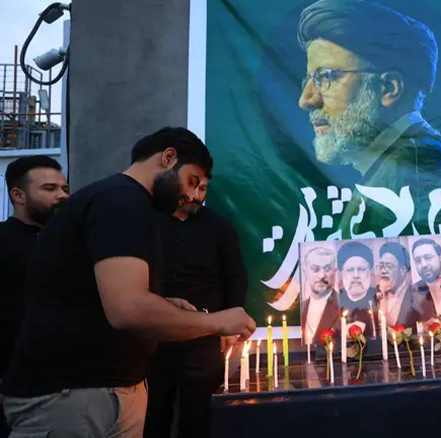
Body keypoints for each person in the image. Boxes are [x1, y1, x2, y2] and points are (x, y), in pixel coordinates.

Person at [1, 127, 256, 437]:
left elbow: (96, 293)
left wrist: (162, 305)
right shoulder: (121, 201)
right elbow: (128, 309)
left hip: (99, 394)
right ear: (168, 157)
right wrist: (218, 322)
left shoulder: (122, 201)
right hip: (76, 400)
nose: (191, 195)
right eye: (191, 180)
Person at [297, 0, 441, 237]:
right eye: (309, 80)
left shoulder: (414, 166)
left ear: (388, 89)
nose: (306, 100)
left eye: (326, 77)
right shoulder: (399, 162)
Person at [144, 173, 248, 438]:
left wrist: (229, 326)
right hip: (156, 336)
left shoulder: (218, 226)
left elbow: (235, 276)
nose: (196, 195)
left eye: (203, 189)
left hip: (205, 337)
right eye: (191, 187)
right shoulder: (148, 223)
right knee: (153, 414)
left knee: (200, 416)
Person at [0, 156, 68, 438]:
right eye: (50, 188)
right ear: (18, 195)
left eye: (65, 188)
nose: (62, 196)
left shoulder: (68, 243)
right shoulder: (4, 241)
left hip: (62, 388)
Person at [411, 238, 441, 331]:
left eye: (428, 258)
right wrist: (423, 328)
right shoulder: (411, 292)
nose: (423, 264)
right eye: (418, 260)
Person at [300, 246, 340, 344]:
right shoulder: (301, 307)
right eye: (315, 269)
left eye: (327, 269)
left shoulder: (344, 306)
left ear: (335, 272)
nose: (322, 275)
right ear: (305, 272)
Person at [337, 241, 377, 336]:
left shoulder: (379, 299)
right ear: (343, 274)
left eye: (361, 269)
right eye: (350, 270)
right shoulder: (335, 301)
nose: (356, 275)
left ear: (370, 272)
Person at [376, 242, 417, 328]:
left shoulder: (414, 295)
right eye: (381, 266)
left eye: (389, 266)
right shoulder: (375, 292)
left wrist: (382, 292)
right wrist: (382, 291)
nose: (383, 271)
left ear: (402, 270)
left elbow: (393, 326)